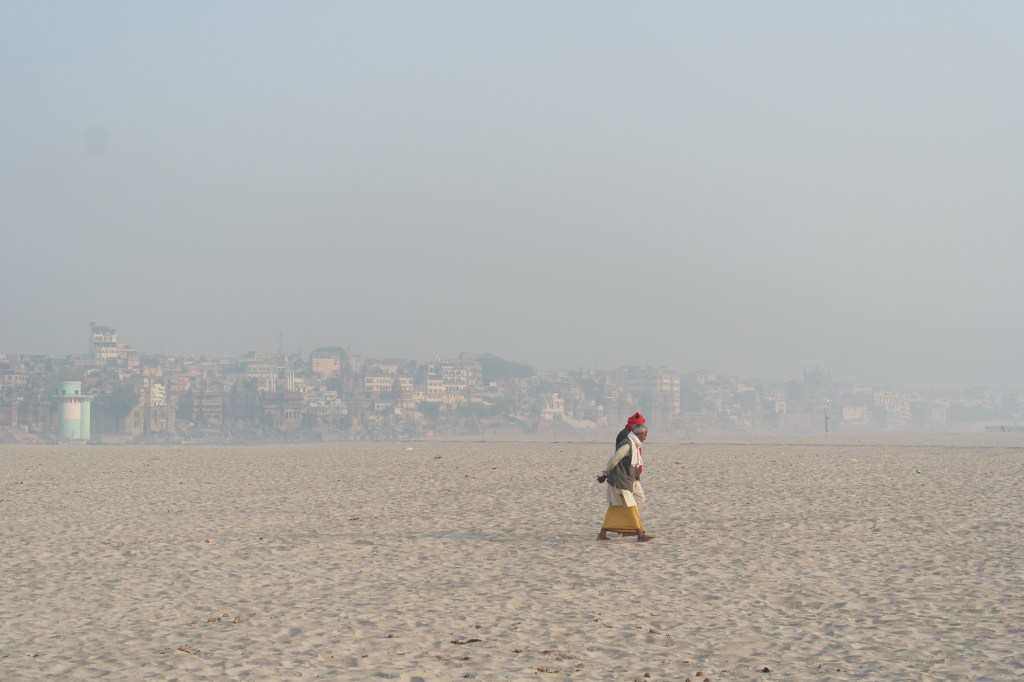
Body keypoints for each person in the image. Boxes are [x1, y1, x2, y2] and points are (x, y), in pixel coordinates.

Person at [597, 423, 654, 542]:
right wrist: (605, 474)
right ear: (638, 434)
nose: (646, 437)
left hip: (629, 479)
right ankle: (640, 534)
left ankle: (604, 533)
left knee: (618, 506)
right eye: (644, 435)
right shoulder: (627, 445)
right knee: (631, 505)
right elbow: (614, 459)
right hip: (620, 480)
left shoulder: (634, 444)